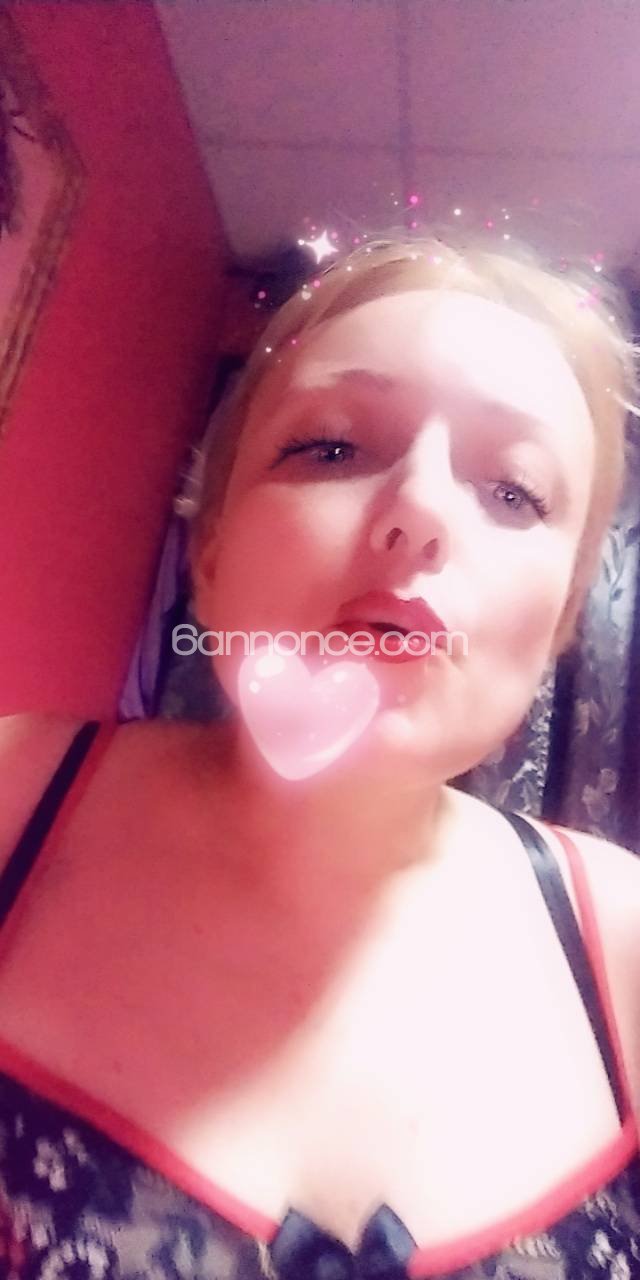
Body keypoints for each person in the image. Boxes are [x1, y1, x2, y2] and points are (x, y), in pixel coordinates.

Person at [0, 229, 639, 1280]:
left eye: (514, 492)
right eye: (331, 449)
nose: (420, 510)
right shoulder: (14, 797)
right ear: (208, 550)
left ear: (563, 621)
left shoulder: (622, 941)